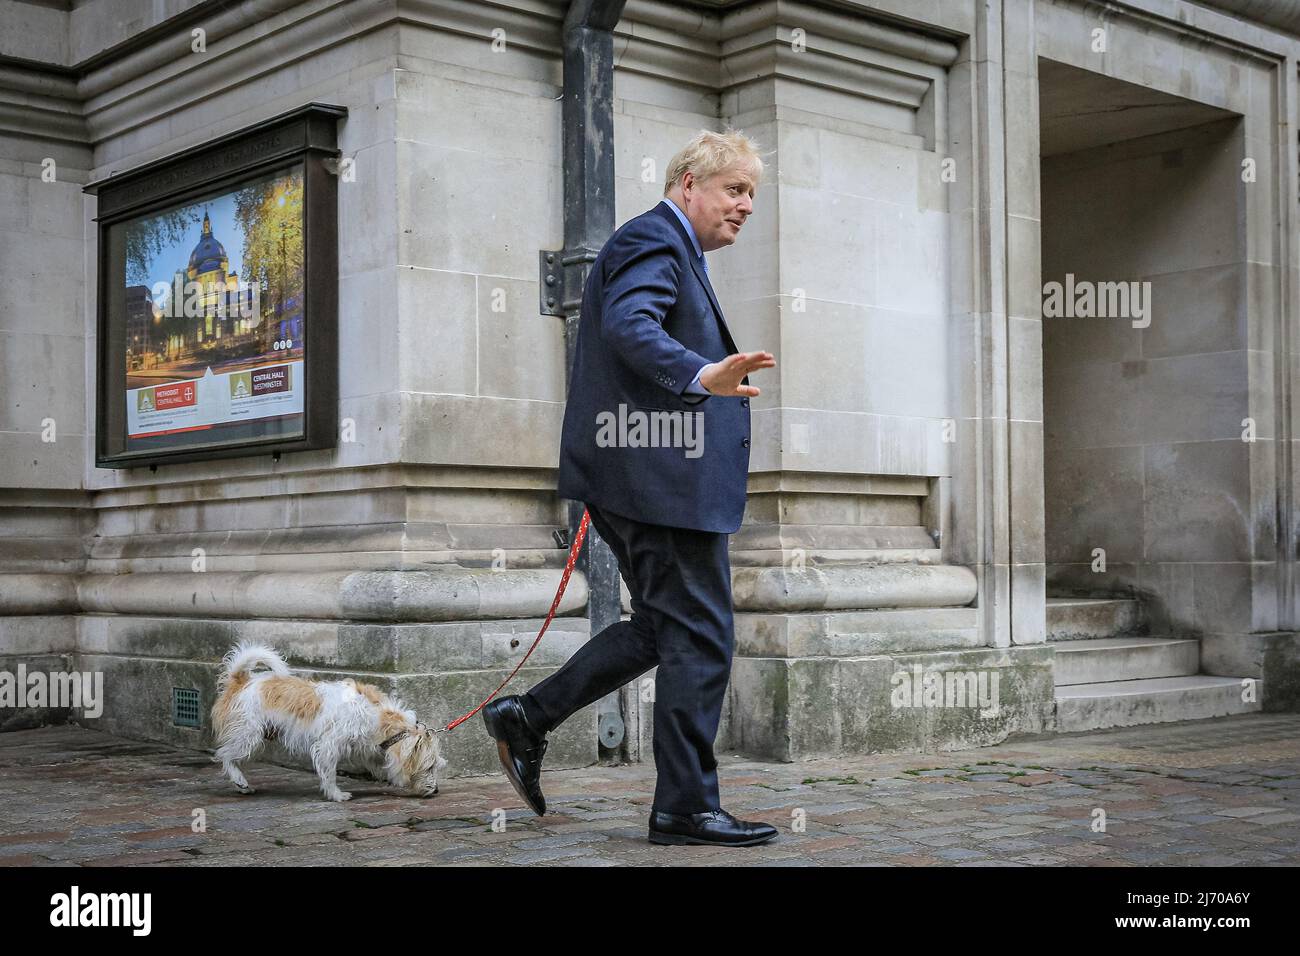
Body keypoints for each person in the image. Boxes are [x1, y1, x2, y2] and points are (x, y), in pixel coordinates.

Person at [482, 129, 777, 847]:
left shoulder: (670, 247)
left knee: (663, 627)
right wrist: (701, 374)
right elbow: (628, 326)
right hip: (656, 482)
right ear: (688, 184)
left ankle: (529, 715)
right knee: (702, 636)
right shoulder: (654, 239)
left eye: (752, 195)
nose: (745, 206)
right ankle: (684, 806)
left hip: (645, 478)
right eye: (734, 189)